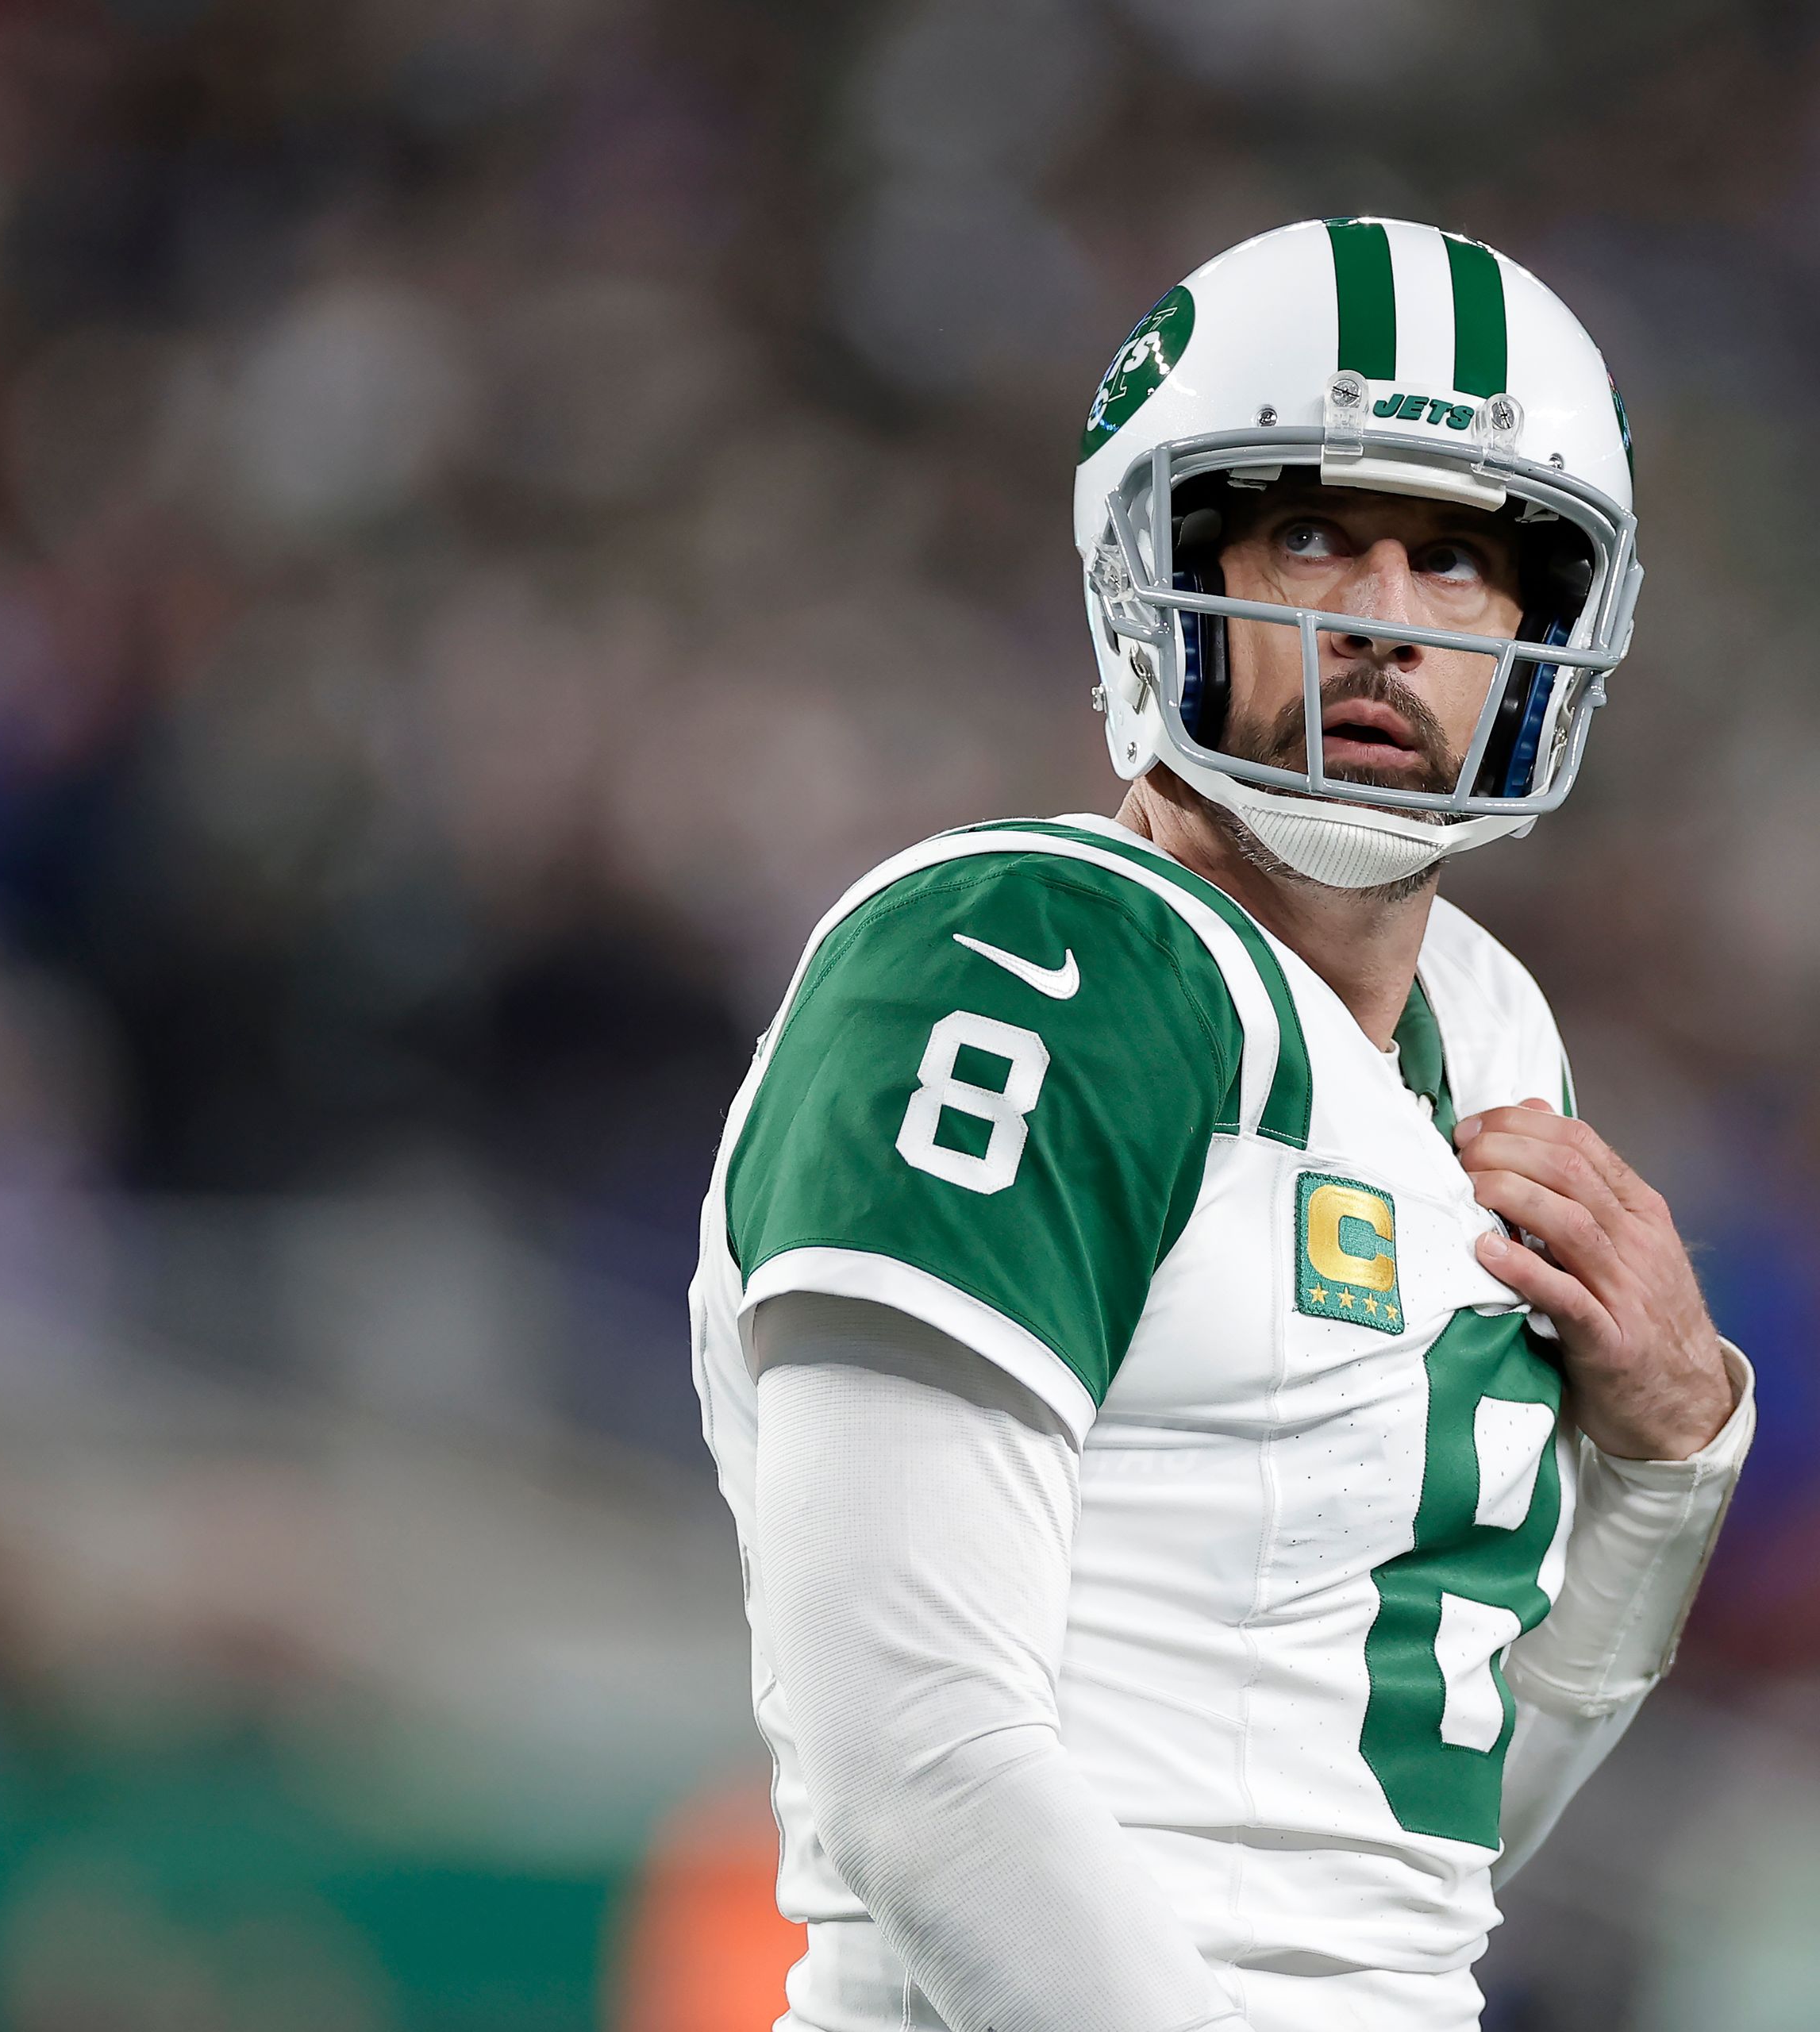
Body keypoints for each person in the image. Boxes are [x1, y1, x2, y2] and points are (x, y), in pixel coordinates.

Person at [689, 217, 1753, 2032]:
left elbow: (1405, 1846)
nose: (1390, 624)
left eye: (1465, 562)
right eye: (1320, 534)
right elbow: (923, 1767)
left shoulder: (1490, 1037)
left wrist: (1662, 1467)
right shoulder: (1017, 957)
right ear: (1161, 566)